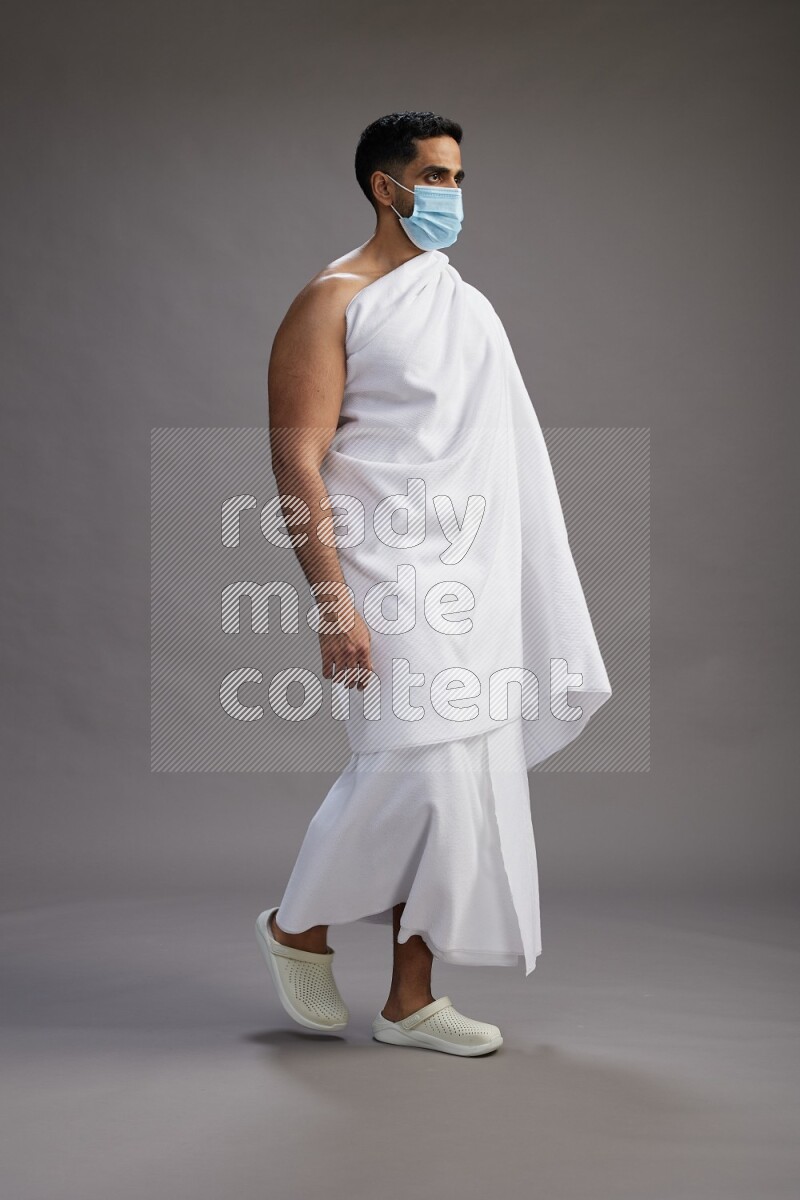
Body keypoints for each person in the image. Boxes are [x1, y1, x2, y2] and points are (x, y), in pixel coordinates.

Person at [255, 111, 612, 1057]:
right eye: (438, 177)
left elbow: (495, 458)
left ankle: (411, 999)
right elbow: (298, 466)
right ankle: (299, 922)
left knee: (466, 781)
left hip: (473, 575)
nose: (454, 195)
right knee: (415, 767)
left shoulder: (467, 305)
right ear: (387, 185)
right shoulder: (330, 302)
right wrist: (334, 604)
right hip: (386, 575)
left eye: (459, 177)